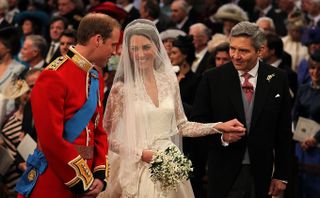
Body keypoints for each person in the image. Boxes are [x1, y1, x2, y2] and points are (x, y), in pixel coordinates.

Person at [100, 19, 245, 198]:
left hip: (169, 160)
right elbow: (106, 135)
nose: (140, 54)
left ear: (157, 48)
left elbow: (182, 126)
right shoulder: (121, 89)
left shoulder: (169, 81)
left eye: (146, 47)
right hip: (136, 165)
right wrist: (141, 154)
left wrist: (218, 126)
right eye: (134, 49)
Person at [16, 13, 121, 198]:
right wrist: (80, 180)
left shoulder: (94, 76)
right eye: (112, 44)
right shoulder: (53, 75)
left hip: (87, 180)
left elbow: (98, 130)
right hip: (57, 179)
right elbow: (51, 139)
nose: (114, 51)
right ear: (98, 40)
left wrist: (98, 175)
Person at [191, 21, 293, 198]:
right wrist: (222, 136)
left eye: (243, 51)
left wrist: (281, 175)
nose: (235, 56)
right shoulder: (212, 79)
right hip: (223, 172)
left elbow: (283, 132)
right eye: (233, 49)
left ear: (260, 51)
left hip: (263, 175)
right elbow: (196, 125)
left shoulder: (278, 79)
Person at [293, 50, 320, 198]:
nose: (315, 72)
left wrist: (315, 139)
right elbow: (294, 115)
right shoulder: (303, 89)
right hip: (302, 144)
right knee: (300, 186)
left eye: (319, 69)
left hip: (317, 146)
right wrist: (301, 137)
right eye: (312, 68)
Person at [0, 79, 30, 198]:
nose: (28, 96)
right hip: (5, 176)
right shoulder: (12, 114)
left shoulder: (32, 120)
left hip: (19, 179)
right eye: (26, 92)